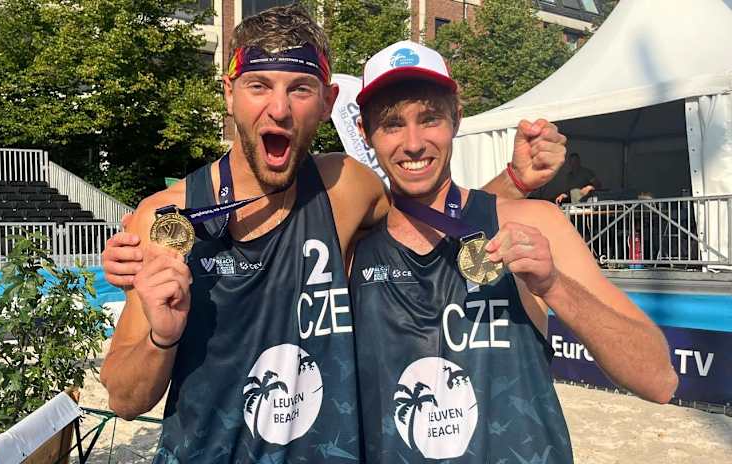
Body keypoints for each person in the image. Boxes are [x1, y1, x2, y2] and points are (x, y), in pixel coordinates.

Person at [99, 6, 568, 462]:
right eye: (258, 86)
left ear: (326, 103)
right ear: (229, 93)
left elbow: (428, 228)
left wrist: (514, 182)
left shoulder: (346, 187)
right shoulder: (166, 218)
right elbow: (123, 399)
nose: (279, 109)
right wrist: (162, 338)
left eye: (300, 89)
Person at [349, 41, 677, 462]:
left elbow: (658, 379)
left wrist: (554, 286)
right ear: (365, 133)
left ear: (456, 118)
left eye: (429, 118)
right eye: (392, 124)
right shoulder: (355, 246)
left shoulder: (534, 223)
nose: (413, 143)